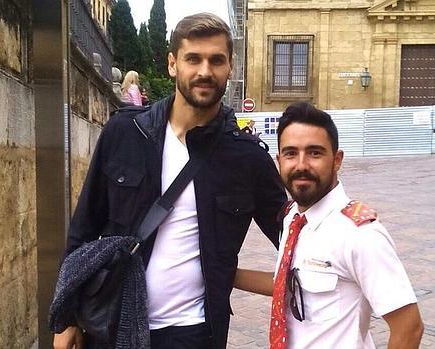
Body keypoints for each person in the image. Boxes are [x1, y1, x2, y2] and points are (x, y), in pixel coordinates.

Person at [52, 12, 287, 349]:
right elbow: (84, 228)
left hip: (193, 333)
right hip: (112, 324)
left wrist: (340, 219)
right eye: (194, 59)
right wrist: (68, 318)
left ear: (230, 68)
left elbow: (293, 237)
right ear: (173, 64)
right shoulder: (125, 133)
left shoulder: (247, 157)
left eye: (216, 60)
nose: (205, 71)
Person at [234, 102, 424, 349]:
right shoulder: (293, 217)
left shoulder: (359, 234)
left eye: (315, 153)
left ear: (336, 160)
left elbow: (409, 327)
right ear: (279, 160)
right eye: (291, 153)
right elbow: (288, 285)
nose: (301, 165)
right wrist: (224, 275)